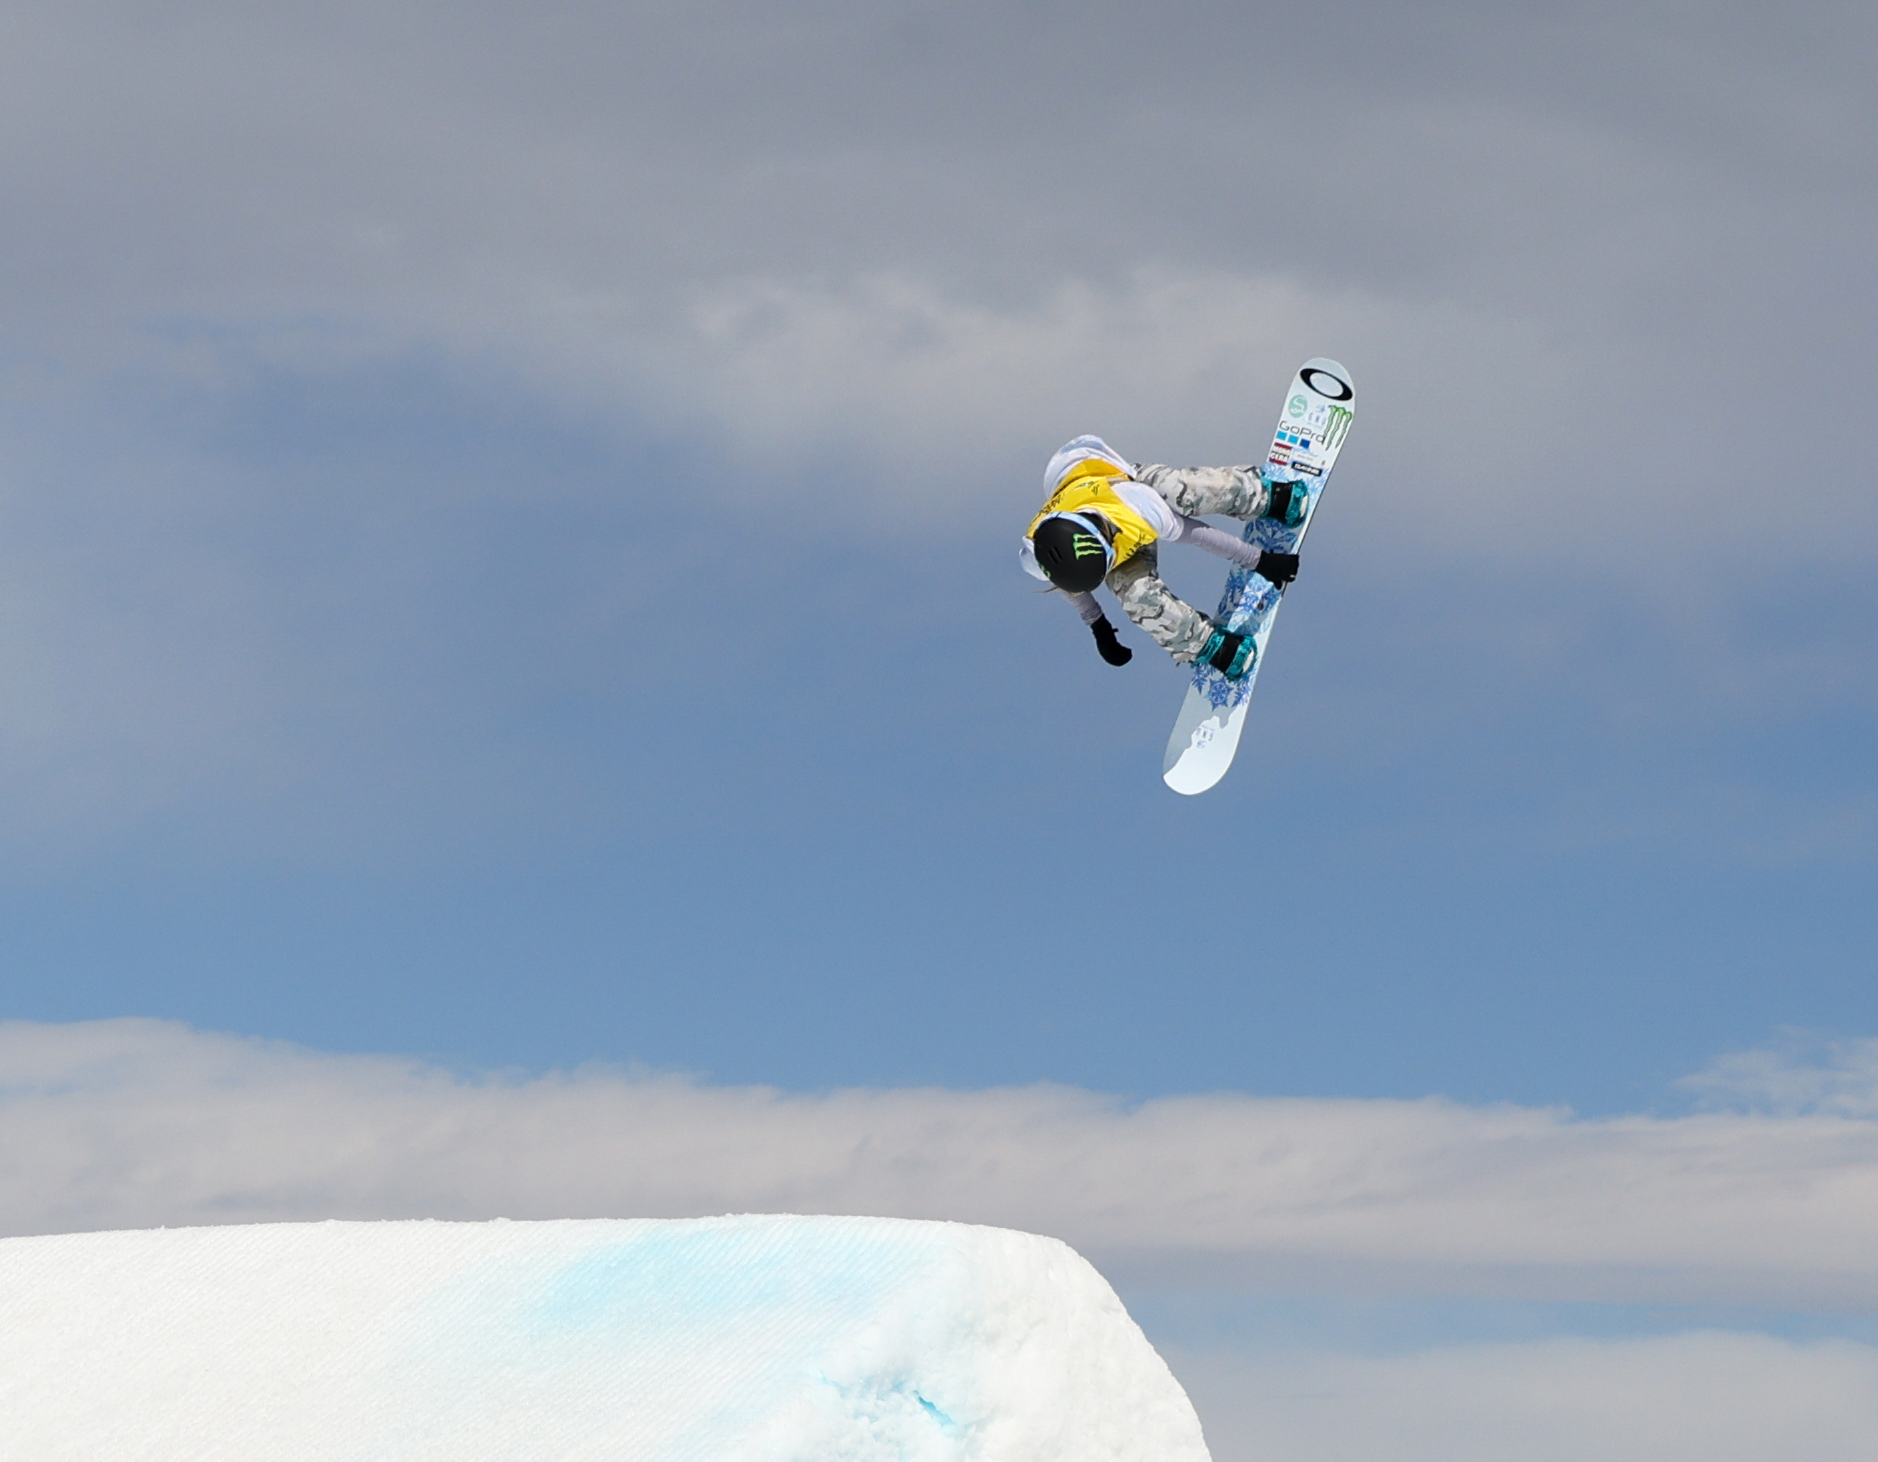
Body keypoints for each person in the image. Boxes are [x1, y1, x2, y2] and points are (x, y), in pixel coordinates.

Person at [1020, 435, 1306, 678]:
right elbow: (1068, 582)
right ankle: (1207, 645)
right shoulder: (1039, 552)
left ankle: (1265, 495)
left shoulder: (1136, 504)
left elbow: (1198, 535)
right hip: (1085, 519)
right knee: (1137, 596)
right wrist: (1099, 626)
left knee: (1182, 491)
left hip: (1126, 482)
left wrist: (1259, 561)